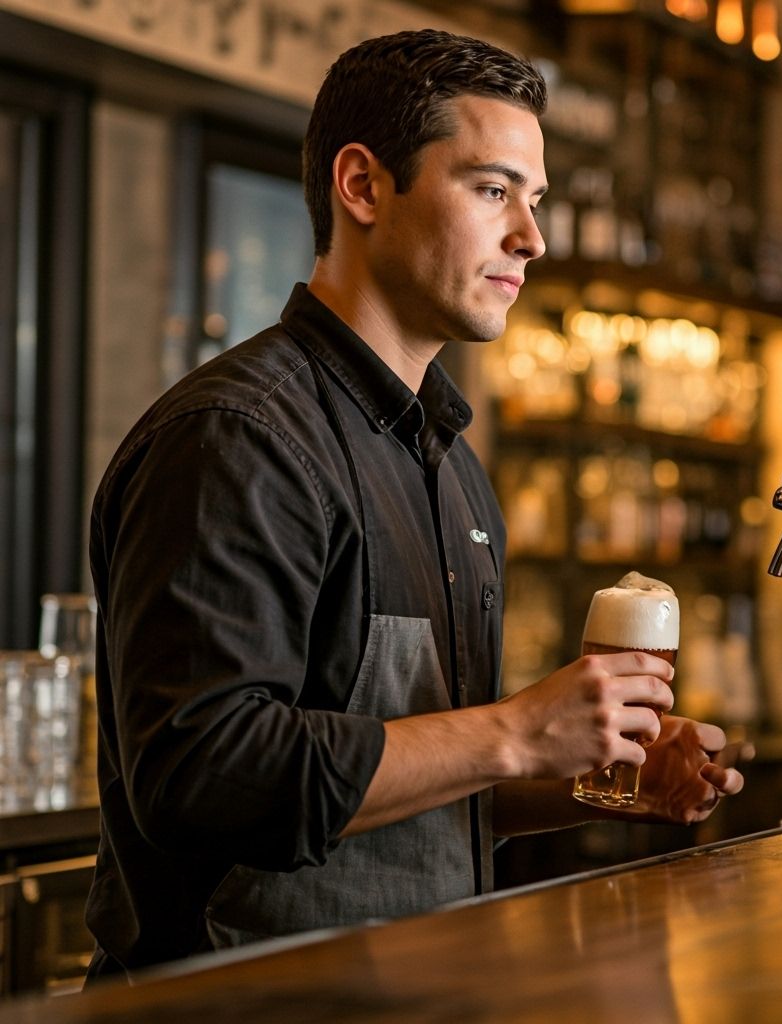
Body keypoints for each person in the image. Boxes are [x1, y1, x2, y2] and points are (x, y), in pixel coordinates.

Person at [85, 27, 746, 982]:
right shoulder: (239, 436)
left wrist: (590, 778)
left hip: (423, 993)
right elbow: (202, 778)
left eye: (536, 198)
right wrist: (516, 729)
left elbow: (424, 786)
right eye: (492, 190)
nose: (533, 236)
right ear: (362, 186)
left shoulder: (450, 461)